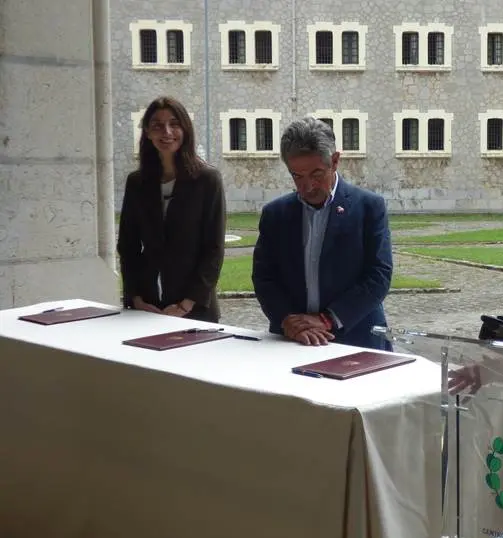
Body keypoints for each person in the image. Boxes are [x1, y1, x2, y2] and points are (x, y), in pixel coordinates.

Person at [252, 117, 393, 350]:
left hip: (357, 340)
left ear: (335, 161)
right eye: (297, 176)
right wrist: (286, 319)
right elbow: (264, 277)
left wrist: (327, 319)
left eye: (316, 174)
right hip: (292, 341)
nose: (307, 186)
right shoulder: (275, 214)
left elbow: (378, 275)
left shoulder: (369, 207)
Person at [117, 96, 226, 323]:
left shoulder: (207, 180)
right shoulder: (137, 183)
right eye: (157, 125)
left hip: (195, 308)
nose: (166, 132)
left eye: (174, 124)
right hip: (147, 306)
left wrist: (186, 304)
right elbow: (128, 246)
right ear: (147, 132)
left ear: (185, 129)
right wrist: (135, 297)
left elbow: (213, 249)